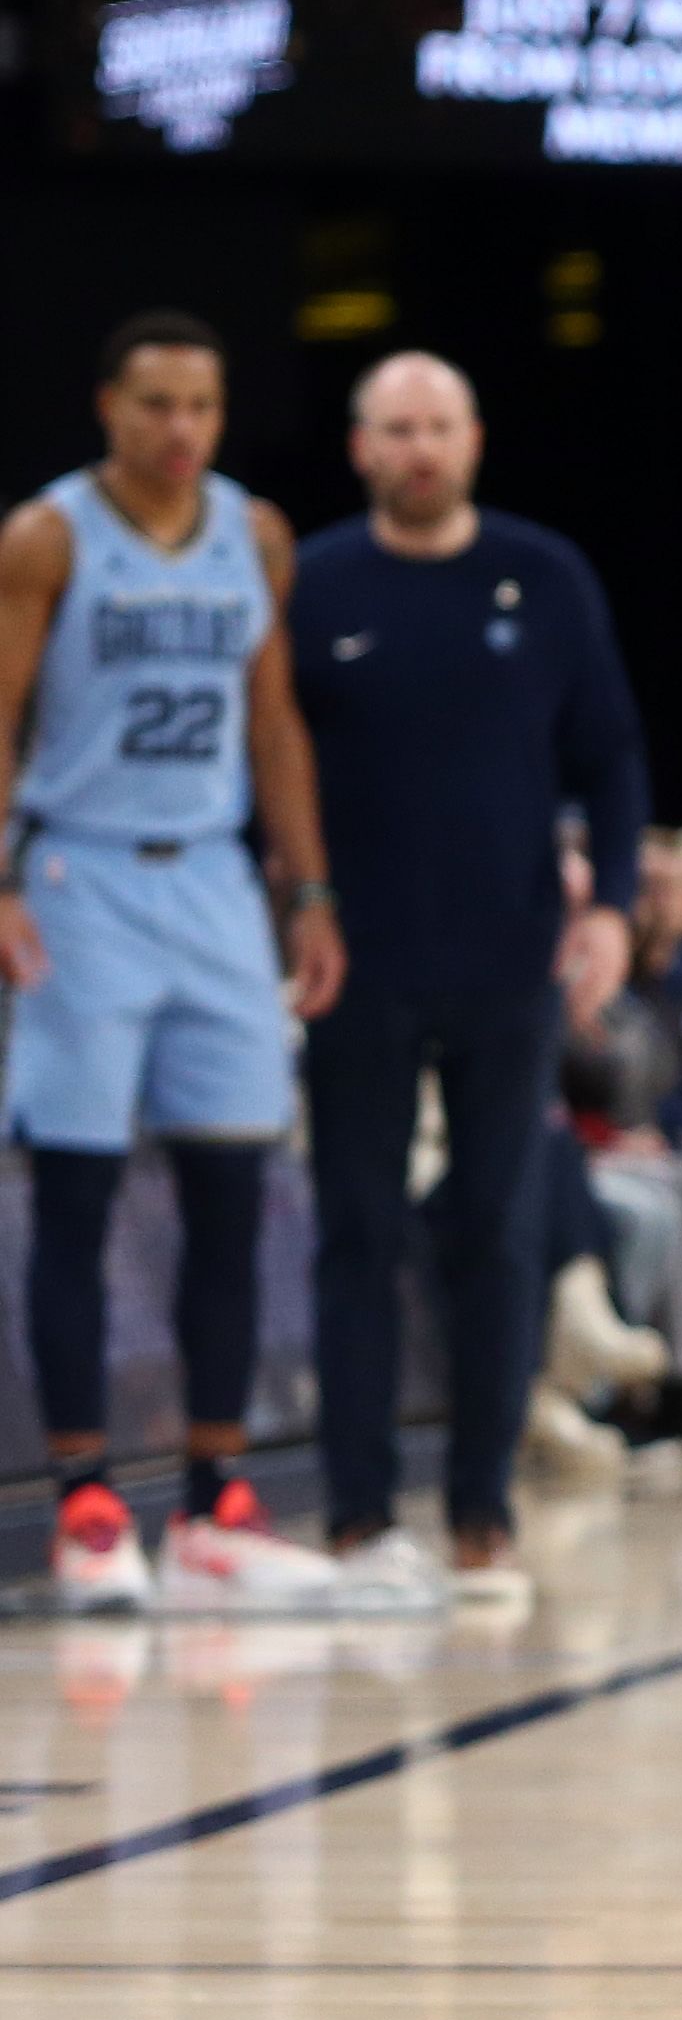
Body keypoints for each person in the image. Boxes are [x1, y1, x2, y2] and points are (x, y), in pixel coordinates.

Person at [282, 353, 649, 1606]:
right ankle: (356, 1517)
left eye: (439, 426)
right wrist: (291, 907)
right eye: (397, 428)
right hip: (356, 965)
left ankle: (482, 1510)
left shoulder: (544, 576)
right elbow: (265, 774)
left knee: (498, 1235)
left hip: (508, 960)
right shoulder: (315, 581)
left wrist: (616, 909)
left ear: (475, 438)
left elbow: (609, 756)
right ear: (362, 447)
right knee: (358, 1234)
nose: (421, 448)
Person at [6, 312, 350, 1613]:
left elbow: (273, 724)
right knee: (80, 1194)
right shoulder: (46, 537)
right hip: (79, 869)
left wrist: (305, 891)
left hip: (212, 874)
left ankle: (218, 1502)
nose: (179, 428)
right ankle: (87, 1499)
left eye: (200, 404)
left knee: (230, 1184)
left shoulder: (254, 534)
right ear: (108, 407)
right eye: (155, 403)